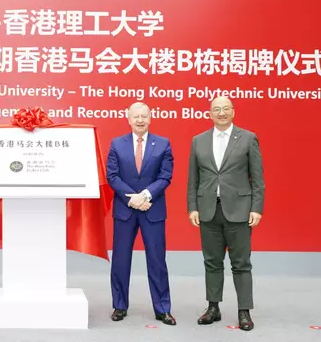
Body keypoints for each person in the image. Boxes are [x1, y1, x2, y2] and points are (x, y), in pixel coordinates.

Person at [187, 96, 265, 331]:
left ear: (233, 111)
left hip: (239, 210)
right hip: (208, 210)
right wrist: (192, 206)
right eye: (216, 109)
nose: (221, 113)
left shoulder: (248, 138)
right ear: (210, 114)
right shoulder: (198, 141)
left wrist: (256, 208)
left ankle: (244, 311)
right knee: (212, 262)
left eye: (225, 109)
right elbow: (193, 178)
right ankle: (213, 307)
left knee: (241, 263)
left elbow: (258, 179)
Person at [106, 102, 176, 325]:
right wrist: (133, 198)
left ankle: (162, 308)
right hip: (125, 210)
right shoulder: (117, 144)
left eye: (144, 116)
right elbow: (112, 176)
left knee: (157, 261)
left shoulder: (163, 144)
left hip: (152, 209)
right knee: (120, 261)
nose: (140, 120)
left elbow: (165, 176)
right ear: (128, 119)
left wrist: (145, 195)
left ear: (150, 118)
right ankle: (119, 305)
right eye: (135, 116)